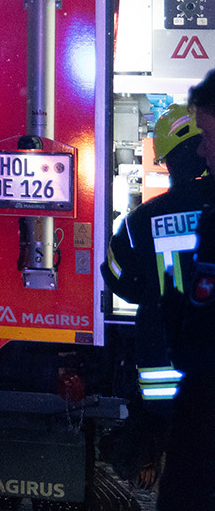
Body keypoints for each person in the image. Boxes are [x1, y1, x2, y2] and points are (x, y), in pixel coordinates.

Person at [100, 105, 211, 487]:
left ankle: (144, 457)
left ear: (167, 161)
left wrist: (145, 293)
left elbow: (115, 274)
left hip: (161, 363)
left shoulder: (140, 220)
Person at [157, 69, 215, 510]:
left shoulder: (150, 217)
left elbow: (118, 275)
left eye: (209, 137)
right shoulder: (207, 213)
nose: (202, 149)